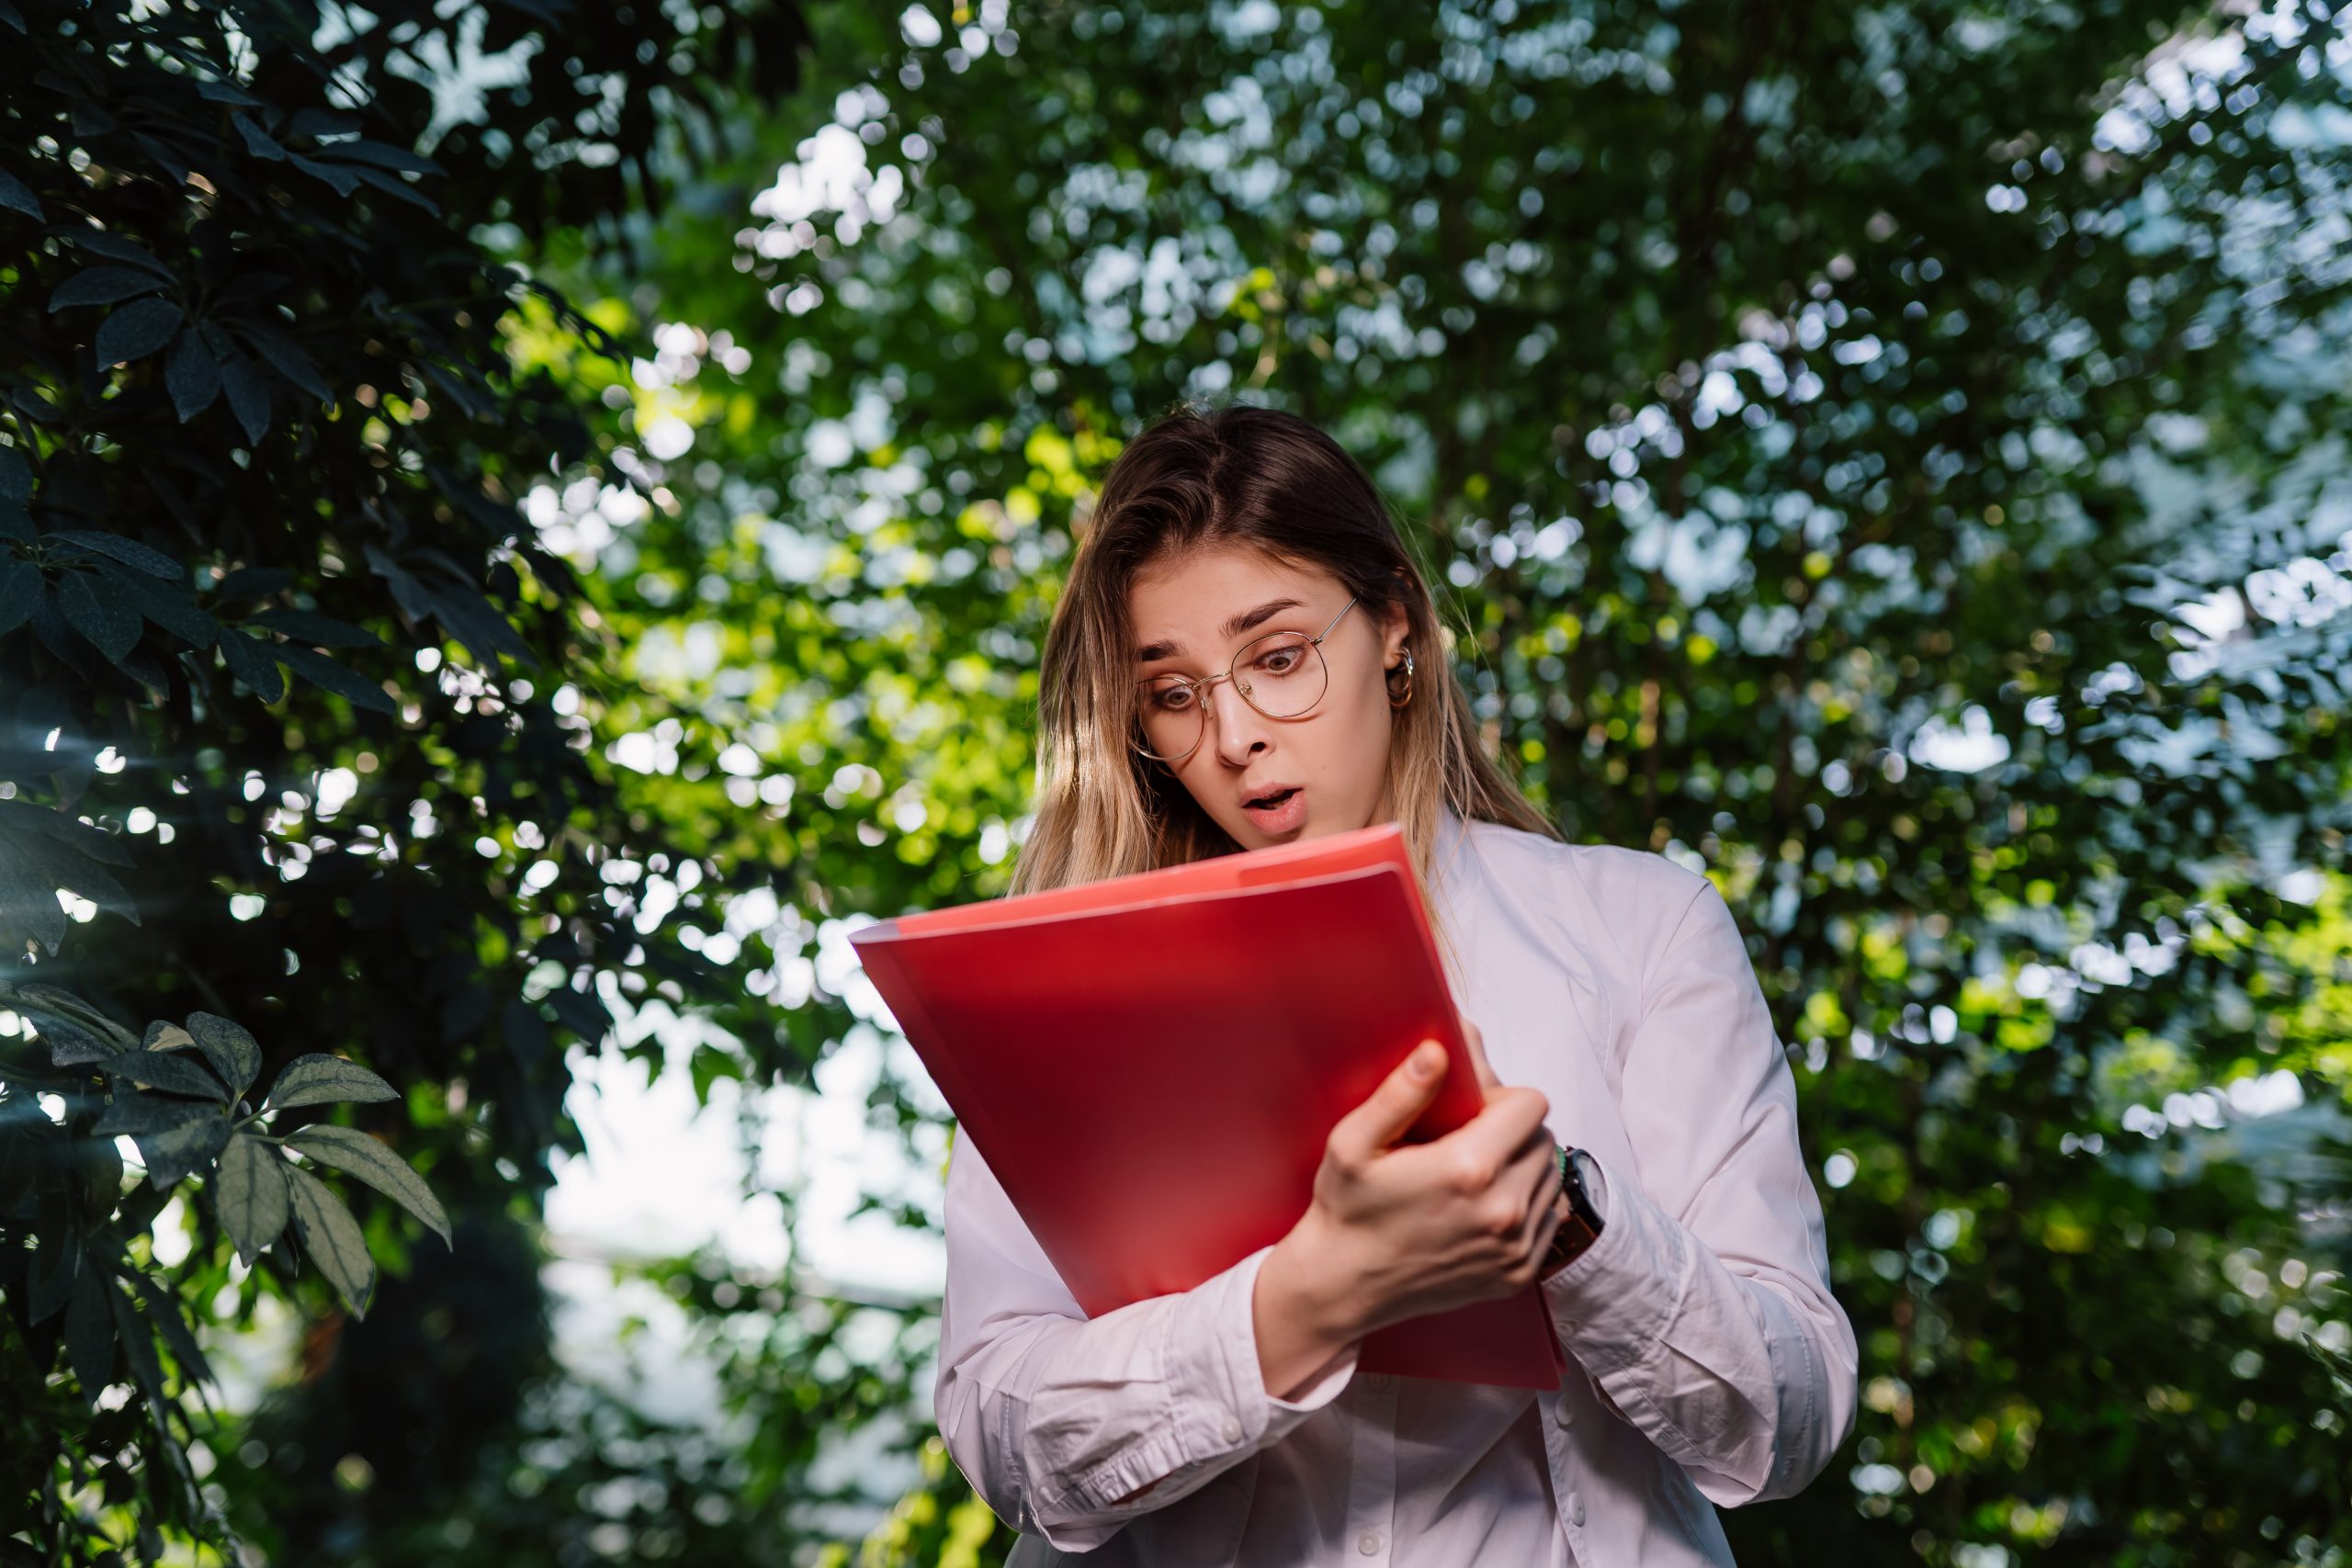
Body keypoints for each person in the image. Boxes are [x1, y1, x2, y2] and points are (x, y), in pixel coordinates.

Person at [933, 400, 1858, 1566]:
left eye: (1277, 659)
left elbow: (1788, 1419)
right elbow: (999, 1430)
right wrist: (1296, 1306)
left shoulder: (1637, 926)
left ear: (1396, 629)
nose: (1235, 735)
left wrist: (1569, 1220)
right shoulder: (1063, 989)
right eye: (1174, 693)